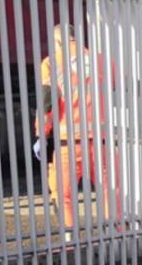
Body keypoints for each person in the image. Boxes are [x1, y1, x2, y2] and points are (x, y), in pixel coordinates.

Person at [36, 24, 119, 230]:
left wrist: (41, 134)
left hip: (68, 145)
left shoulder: (50, 63)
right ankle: (116, 241)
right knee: (110, 192)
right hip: (101, 143)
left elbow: (48, 103)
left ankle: (70, 243)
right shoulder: (102, 61)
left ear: (57, 42)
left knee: (63, 196)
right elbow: (127, 84)